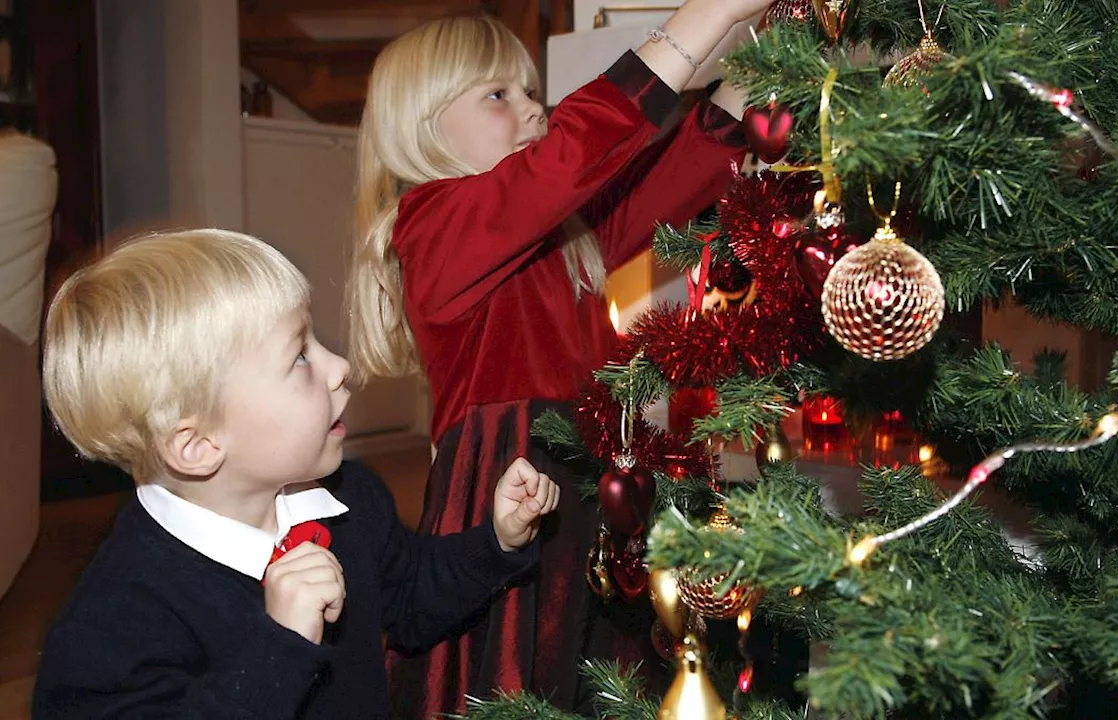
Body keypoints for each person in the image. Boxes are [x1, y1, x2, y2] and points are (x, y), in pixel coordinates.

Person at [345, 1, 773, 714]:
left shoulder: (566, 237)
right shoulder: (431, 226)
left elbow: (684, 167)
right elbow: (566, 162)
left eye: (532, 92)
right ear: (421, 126)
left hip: (593, 500)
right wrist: (713, 12)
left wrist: (773, 41)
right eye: (498, 95)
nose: (533, 109)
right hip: (508, 499)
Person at [32, 229, 560, 719]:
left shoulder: (348, 498)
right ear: (197, 445)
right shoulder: (115, 622)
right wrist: (279, 647)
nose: (340, 366)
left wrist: (498, 541)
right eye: (299, 357)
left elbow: (412, 597)